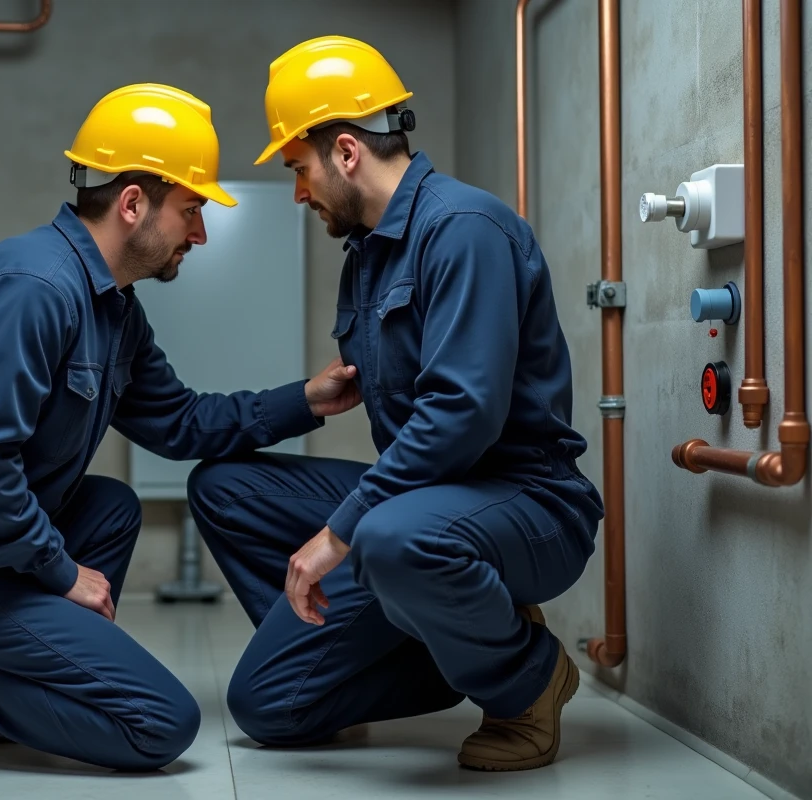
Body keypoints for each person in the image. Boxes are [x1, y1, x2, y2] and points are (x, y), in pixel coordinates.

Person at [0, 83, 359, 771]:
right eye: (191, 210)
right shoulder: (35, 290)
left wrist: (307, 400)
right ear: (132, 203)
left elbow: (179, 421)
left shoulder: (112, 308)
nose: (200, 234)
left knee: (110, 507)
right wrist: (58, 573)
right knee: (158, 724)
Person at [187, 36, 605, 771]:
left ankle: (527, 680)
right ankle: (399, 646)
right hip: (423, 506)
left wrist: (339, 532)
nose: (298, 192)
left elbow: (462, 415)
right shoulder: (369, 254)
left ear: (347, 152)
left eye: (299, 168)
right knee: (226, 492)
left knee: (386, 538)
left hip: (528, 502)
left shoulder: (464, 230)